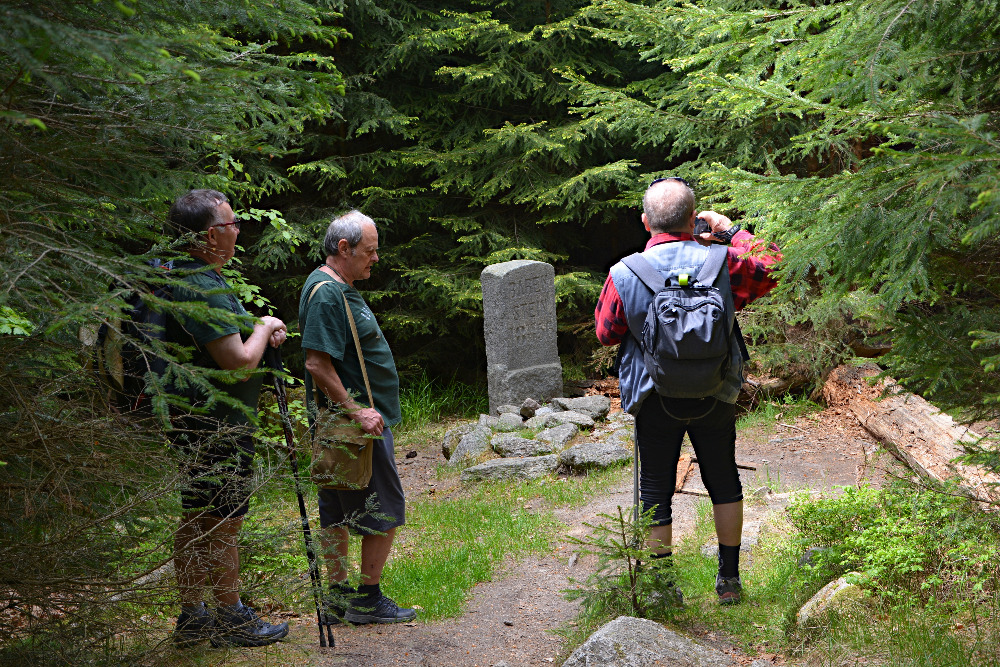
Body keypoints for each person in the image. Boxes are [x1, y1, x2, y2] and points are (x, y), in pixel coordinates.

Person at [595, 177, 781, 605]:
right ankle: (729, 582)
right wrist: (731, 230)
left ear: (646, 221)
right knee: (723, 478)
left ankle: (662, 588)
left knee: (656, 487)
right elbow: (774, 266)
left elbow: (607, 333)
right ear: (694, 218)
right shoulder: (723, 262)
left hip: (653, 395)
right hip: (715, 391)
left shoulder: (624, 272)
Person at [165, 189, 291, 647]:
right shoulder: (200, 285)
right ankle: (232, 617)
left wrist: (261, 327)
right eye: (231, 224)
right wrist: (261, 328)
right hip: (218, 424)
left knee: (196, 514)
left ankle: (194, 618)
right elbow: (237, 361)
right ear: (207, 235)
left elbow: (235, 336)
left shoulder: (180, 276)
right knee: (224, 518)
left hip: (190, 421)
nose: (237, 231)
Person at [299, 210, 415, 624]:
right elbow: (316, 363)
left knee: (336, 509)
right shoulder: (328, 293)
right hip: (356, 428)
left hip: (344, 427)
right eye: (370, 250)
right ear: (343, 249)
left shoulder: (334, 286)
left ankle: (336, 598)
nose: (376, 258)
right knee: (384, 508)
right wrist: (359, 411)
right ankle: (367, 598)